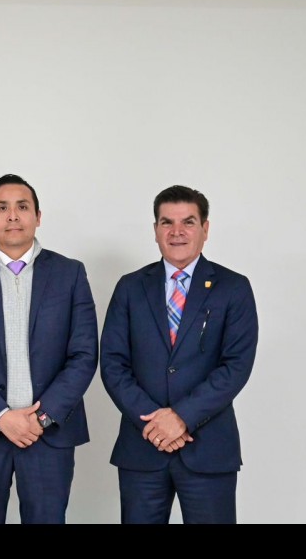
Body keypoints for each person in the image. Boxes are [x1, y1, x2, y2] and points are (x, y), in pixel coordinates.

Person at [0, 174, 98, 524]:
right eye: (2, 208)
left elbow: (84, 355)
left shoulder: (70, 273)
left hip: (47, 434)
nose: (13, 216)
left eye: (22, 207)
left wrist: (40, 419)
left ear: (38, 217)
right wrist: (1, 416)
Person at [100, 185, 258, 524]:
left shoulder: (233, 287)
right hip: (143, 447)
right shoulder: (130, 287)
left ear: (205, 228)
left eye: (188, 222)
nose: (177, 232)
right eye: (166, 222)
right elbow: (113, 363)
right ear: (155, 230)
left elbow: (236, 366)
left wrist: (181, 417)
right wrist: (154, 423)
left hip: (208, 449)